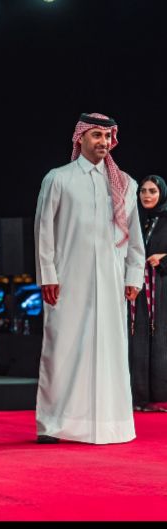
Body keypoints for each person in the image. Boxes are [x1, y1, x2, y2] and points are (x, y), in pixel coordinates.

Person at [34, 112, 145, 445]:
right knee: (62, 349)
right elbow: (44, 231)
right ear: (79, 137)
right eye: (96, 135)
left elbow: (135, 238)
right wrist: (47, 275)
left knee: (110, 352)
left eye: (107, 136)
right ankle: (53, 424)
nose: (103, 142)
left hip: (112, 282)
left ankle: (110, 424)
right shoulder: (58, 178)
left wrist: (133, 276)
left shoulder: (125, 183)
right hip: (67, 280)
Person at [128, 174, 167, 412]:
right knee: (139, 338)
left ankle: (161, 397)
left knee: (161, 339)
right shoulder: (136, 219)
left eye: (152, 191)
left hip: (162, 288)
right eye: (143, 191)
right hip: (140, 289)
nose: (147, 195)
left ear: (162, 194)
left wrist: (164, 258)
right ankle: (139, 397)